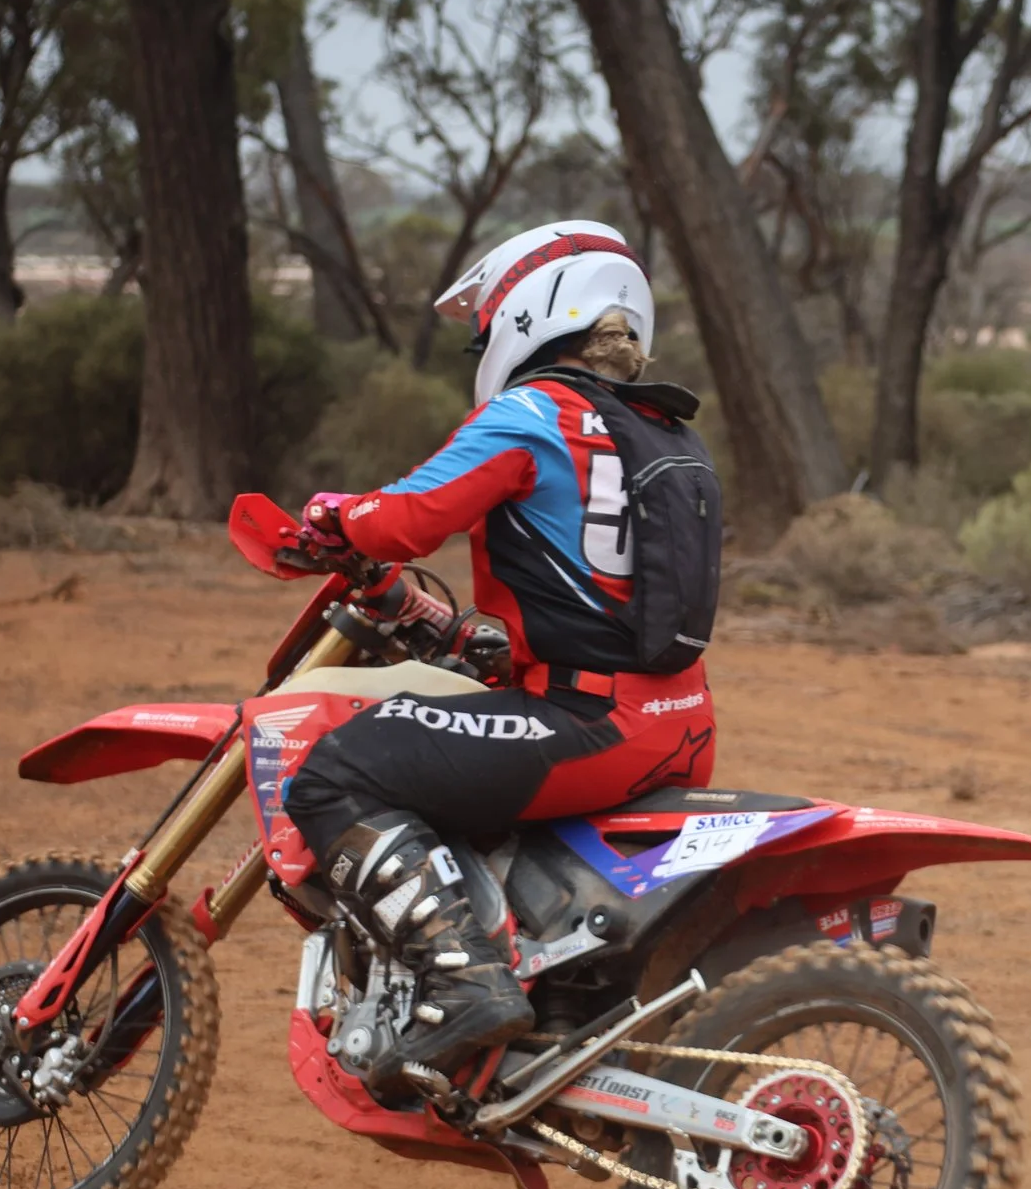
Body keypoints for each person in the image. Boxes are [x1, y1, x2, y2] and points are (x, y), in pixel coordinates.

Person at [283, 221, 723, 1086]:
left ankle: (465, 982)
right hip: (680, 724)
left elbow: (406, 518)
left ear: (531, 311)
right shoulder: (664, 430)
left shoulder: (532, 413)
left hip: (588, 722)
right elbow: (608, 595)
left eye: (484, 331)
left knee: (335, 771)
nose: (483, 347)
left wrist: (335, 516)